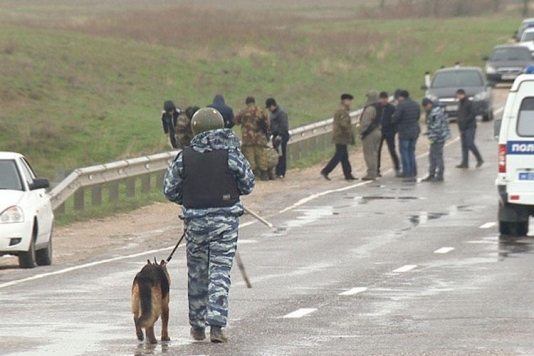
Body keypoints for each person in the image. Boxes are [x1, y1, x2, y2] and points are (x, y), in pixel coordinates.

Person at [163, 108, 255, 344]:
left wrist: (190, 199)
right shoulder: (231, 153)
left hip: (195, 223)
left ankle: (197, 327)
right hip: (224, 223)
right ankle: (216, 325)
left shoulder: (185, 156)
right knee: (219, 273)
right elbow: (247, 184)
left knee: (197, 273)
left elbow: (169, 189)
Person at [320, 94, 357, 181]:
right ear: (344, 101)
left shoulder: (342, 110)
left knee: (344, 156)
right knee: (339, 155)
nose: (350, 102)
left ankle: (348, 174)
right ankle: (326, 171)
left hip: (340, 136)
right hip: (341, 136)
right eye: (348, 100)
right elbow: (344, 124)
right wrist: (349, 133)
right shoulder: (342, 111)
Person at [234, 97, 270, 181]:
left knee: (249, 156)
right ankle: (264, 174)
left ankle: (253, 175)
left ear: (247, 103)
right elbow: (267, 123)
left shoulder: (243, 111)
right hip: (259, 137)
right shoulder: (261, 111)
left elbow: (236, 121)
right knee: (260, 155)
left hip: (248, 138)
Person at [392, 90, 421, 181]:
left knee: (404, 152)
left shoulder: (401, 106)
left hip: (405, 132)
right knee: (411, 151)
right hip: (415, 131)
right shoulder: (415, 104)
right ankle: (413, 171)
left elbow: (396, 118)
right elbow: (417, 117)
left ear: (401, 97)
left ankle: (406, 171)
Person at [421, 98, 451, 182]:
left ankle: (438, 175)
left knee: (437, 156)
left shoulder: (435, 113)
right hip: (440, 136)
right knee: (433, 155)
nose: (426, 109)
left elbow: (436, 127)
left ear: (429, 104)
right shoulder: (439, 110)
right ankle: (433, 173)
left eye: (425, 107)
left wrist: (432, 138)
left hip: (438, 137)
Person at [456, 89, 484, 168]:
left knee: (470, 143)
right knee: (464, 145)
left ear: (463, 94)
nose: (458, 97)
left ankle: (479, 159)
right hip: (462, 127)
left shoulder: (469, 103)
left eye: (459, 95)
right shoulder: (460, 104)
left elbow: (473, 113)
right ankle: (465, 162)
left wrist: (465, 120)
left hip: (470, 126)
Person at [358, 90, 381, 181]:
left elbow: (365, 123)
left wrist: (361, 132)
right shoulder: (379, 107)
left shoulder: (369, 109)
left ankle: (371, 173)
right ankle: (375, 171)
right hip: (378, 131)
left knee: (369, 153)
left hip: (370, 133)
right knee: (375, 153)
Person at [376, 91, 400, 176]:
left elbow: (395, 120)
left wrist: (394, 131)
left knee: (392, 150)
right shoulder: (377, 108)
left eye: (385, 99)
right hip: (379, 132)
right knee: (377, 151)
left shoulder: (391, 108)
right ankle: (377, 169)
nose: (383, 101)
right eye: (382, 99)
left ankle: (397, 166)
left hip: (389, 131)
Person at [266, 98, 290, 179]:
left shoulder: (281, 113)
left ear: (273, 105)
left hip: (281, 136)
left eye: (269, 107)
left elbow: (284, 125)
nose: (269, 110)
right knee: (277, 154)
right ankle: (277, 171)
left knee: (281, 154)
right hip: (276, 136)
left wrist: (280, 135)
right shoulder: (273, 113)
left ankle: (281, 172)